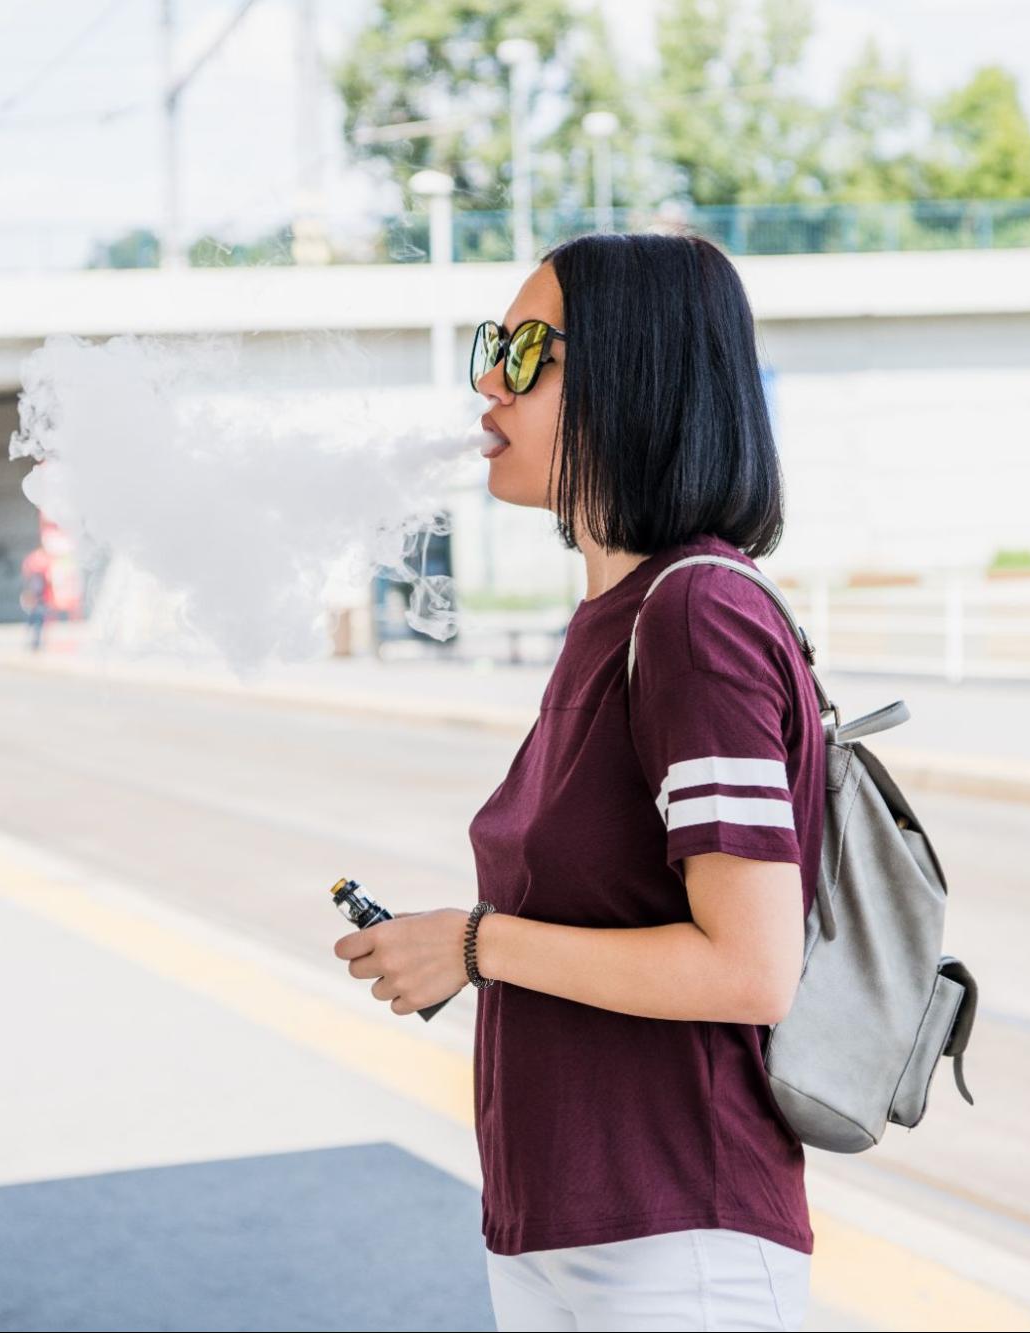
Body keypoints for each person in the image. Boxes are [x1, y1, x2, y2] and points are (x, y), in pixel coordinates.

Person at [331, 232, 825, 1331]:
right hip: (564, 1229)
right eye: (491, 349)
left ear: (629, 375)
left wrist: (474, 944)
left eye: (524, 354)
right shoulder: (616, 617)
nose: (488, 385)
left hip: (673, 1240)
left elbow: (750, 968)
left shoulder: (696, 615)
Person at [19, 546, 51, 651]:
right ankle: (34, 642)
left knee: (35, 622)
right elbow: (35, 592)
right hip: (37, 603)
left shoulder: (35, 578)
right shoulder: (37, 579)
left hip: (38, 603)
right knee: (36, 622)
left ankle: (34, 642)